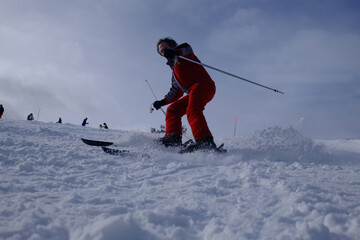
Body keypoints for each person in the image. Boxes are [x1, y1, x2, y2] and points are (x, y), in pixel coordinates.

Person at [152, 37, 217, 152]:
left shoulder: (183, 54)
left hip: (203, 85)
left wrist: (176, 52)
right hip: (193, 91)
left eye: (165, 48)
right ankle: (173, 138)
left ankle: (204, 141)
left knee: (193, 110)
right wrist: (162, 102)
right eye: (162, 51)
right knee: (173, 109)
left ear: (172, 46)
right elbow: (176, 92)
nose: (164, 52)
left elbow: (187, 47)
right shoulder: (174, 72)